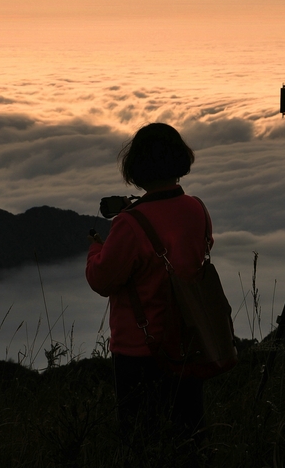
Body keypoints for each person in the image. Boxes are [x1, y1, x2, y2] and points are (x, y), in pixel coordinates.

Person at [85, 122, 210, 451]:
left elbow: (102, 279)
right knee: (190, 437)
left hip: (139, 352)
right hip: (188, 342)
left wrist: (96, 248)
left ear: (136, 167)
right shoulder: (197, 209)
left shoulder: (130, 224)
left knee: (141, 442)